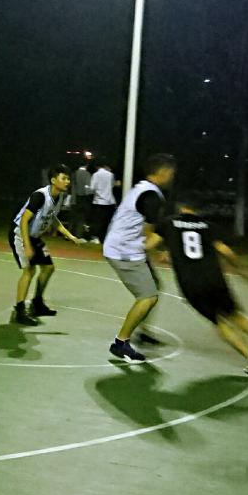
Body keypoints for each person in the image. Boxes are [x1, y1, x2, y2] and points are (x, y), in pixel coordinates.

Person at [149, 203, 248, 378]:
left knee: (219, 323)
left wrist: (158, 254)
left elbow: (149, 244)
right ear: (197, 209)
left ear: (181, 208)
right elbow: (225, 251)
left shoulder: (168, 223)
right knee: (236, 316)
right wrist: (241, 270)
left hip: (191, 283)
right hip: (215, 279)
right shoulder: (208, 226)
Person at [102, 153, 175, 363]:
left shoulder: (144, 189)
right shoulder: (151, 196)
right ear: (163, 172)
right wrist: (162, 253)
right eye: (171, 172)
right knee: (148, 297)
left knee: (154, 287)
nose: (172, 176)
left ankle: (143, 331)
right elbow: (148, 234)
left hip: (126, 247)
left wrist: (155, 251)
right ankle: (121, 343)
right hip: (124, 251)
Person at [8, 164, 84, 326]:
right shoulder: (40, 196)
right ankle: (20, 311)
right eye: (64, 178)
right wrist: (27, 245)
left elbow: (52, 218)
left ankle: (37, 303)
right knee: (29, 271)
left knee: (48, 268)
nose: (67, 182)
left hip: (34, 237)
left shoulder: (59, 196)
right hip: (20, 234)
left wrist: (70, 235)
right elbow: (24, 220)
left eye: (68, 179)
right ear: (53, 180)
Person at [88, 160, 118, 244]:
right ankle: (105, 238)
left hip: (99, 201)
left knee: (97, 221)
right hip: (109, 202)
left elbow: (92, 188)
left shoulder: (95, 175)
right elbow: (112, 186)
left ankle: (97, 238)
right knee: (107, 221)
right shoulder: (110, 175)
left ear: (96, 167)